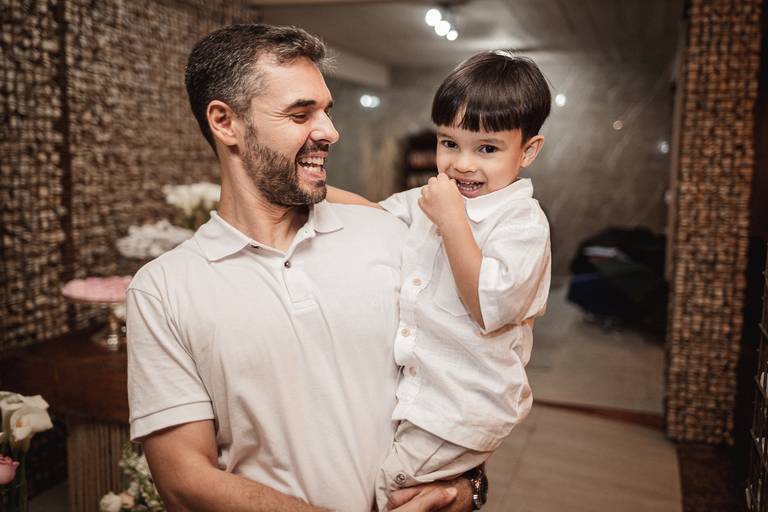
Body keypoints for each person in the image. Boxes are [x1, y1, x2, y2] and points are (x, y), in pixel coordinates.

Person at [126, 23, 476, 512]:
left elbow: (469, 377)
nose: (329, 131)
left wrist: (466, 487)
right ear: (225, 122)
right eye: (300, 113)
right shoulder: (163, 290)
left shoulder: (391, 237)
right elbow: (184, 481)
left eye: (326, 111)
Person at [327, 51, 552, 511]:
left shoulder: (521, 222)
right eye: (450, 143)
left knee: (387, 493)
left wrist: (451, 221)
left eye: (487, 149)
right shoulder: (433, 198)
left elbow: (487, 306)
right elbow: (373, 214)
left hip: (462, 409)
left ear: (528, 151)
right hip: (424, 398)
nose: (462, 164)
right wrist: (312, 191)